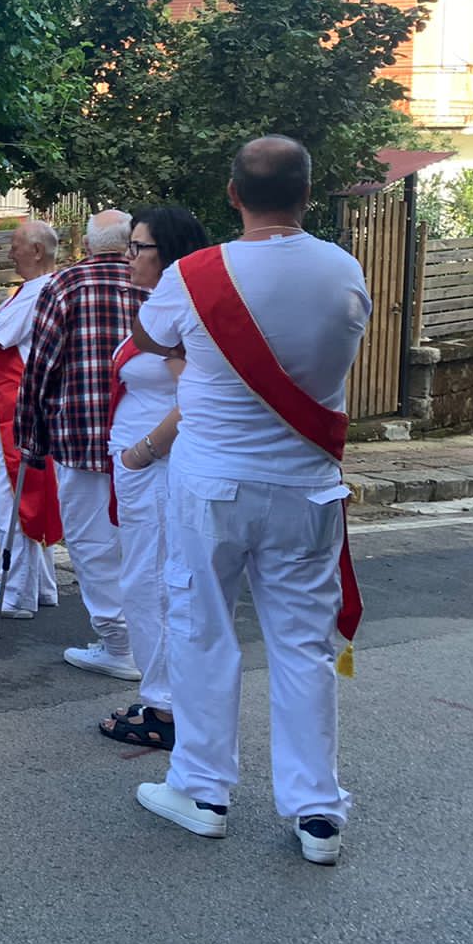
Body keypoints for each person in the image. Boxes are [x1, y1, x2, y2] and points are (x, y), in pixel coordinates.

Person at [132, 139, 369, 866]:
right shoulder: (344, 270)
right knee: (304, 646)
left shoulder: (194, 273)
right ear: (308, 192)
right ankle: (317, 812)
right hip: (306, 486)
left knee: (202, 630)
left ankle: (202, 791)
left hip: (211, 485)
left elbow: (148, 337)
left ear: (233, 194)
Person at [98, 206, 208, 751]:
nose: (128, 256)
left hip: (157, 469)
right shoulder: (165, 306)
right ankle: (163, 697)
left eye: (138, 247)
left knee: (152, 585)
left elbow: (196, 398)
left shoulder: (178, 314)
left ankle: (165, 706)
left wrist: (141, 453)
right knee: (147, 580)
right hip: (145, 470)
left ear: (169, 254)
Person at [16, 209, 142, 680]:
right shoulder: (153, 282)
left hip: (80, 434)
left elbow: (41, 368)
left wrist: (30, 440)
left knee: (92, 544)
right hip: (146, 438)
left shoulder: (65, 285)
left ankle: (117, 643)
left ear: (86, 245)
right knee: (142, 543)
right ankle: (146, 639)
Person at [0, 220, 64, 619]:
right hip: (27, 411)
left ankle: (16, 592)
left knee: (14, 500)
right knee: (30, 496)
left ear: (37, 250)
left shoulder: (40, 292)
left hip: (20, 414)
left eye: (15, 245)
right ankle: (41, 585)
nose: (9, 253)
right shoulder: (37, 289)